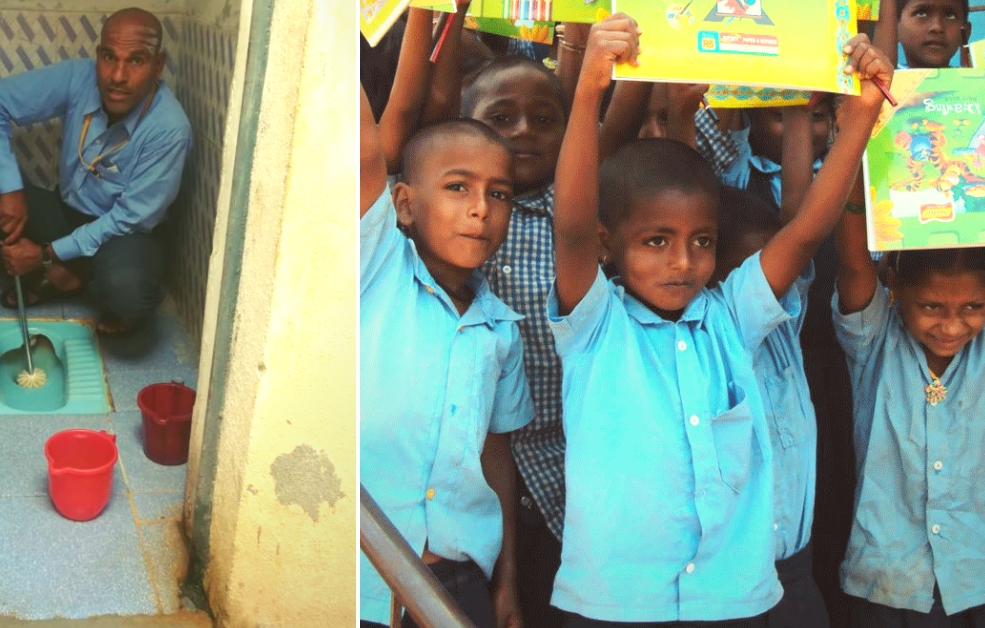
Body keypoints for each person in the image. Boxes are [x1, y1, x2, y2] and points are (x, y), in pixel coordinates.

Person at [548, 12, 890, 626]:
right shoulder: (597, 325)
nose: (684, 262)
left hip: (735, 601)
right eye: (657, 241)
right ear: (608, 246)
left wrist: (862, 114)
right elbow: (570, 223)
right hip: (615, 606)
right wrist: (588, 89)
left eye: (702, 241)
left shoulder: (733, 316)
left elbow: (808, 228)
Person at [359, 84, 533, 628]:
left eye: (499, 194)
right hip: (361, 574)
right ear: (405, 205)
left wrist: (506, 586)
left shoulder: (502, 330)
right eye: (458, 187)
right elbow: (368, 151)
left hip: (461, 578)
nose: (480, 209)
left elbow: (496, 455)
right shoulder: (376, 268)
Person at [0, 7, 193, 336]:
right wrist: (11, 188)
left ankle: (70, 275)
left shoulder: (169, 128)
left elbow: (129, 219)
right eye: (109, 57)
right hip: (67, 213)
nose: (117, 76)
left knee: (129, 292)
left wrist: (43, 254)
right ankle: (63, 276)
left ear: (158, 64)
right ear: (98, 55)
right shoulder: (80, 78)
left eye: (136, 60)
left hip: (123, 235)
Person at [833, 185, 985, 626]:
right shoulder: (873, 341)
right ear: (895, 287)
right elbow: (851, 265)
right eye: (932, 306)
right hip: (889, 581)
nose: (953, 324)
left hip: (978, 577)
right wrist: (862, 165)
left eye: (974, 307)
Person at [460, 54, 570, 628]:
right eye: (501, 118)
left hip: (566, 476)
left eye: (545, 119)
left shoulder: (585, 219)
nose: (525, 131)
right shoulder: (455, 218)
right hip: (475, 475)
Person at [711, 187, 830, 627]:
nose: (776, 281)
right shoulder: (719, 341)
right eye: (758, 271)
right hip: (732, 590)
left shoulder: (784, 329)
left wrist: (797, 118)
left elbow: (800, 228)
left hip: (796, 573)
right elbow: (801, 236)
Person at [877, 0, 971, 68]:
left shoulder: (977, 86)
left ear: (965, 33)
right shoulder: (879, 85)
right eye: (921, 13)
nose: (937, 27)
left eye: (950, 16)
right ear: (895, 29)